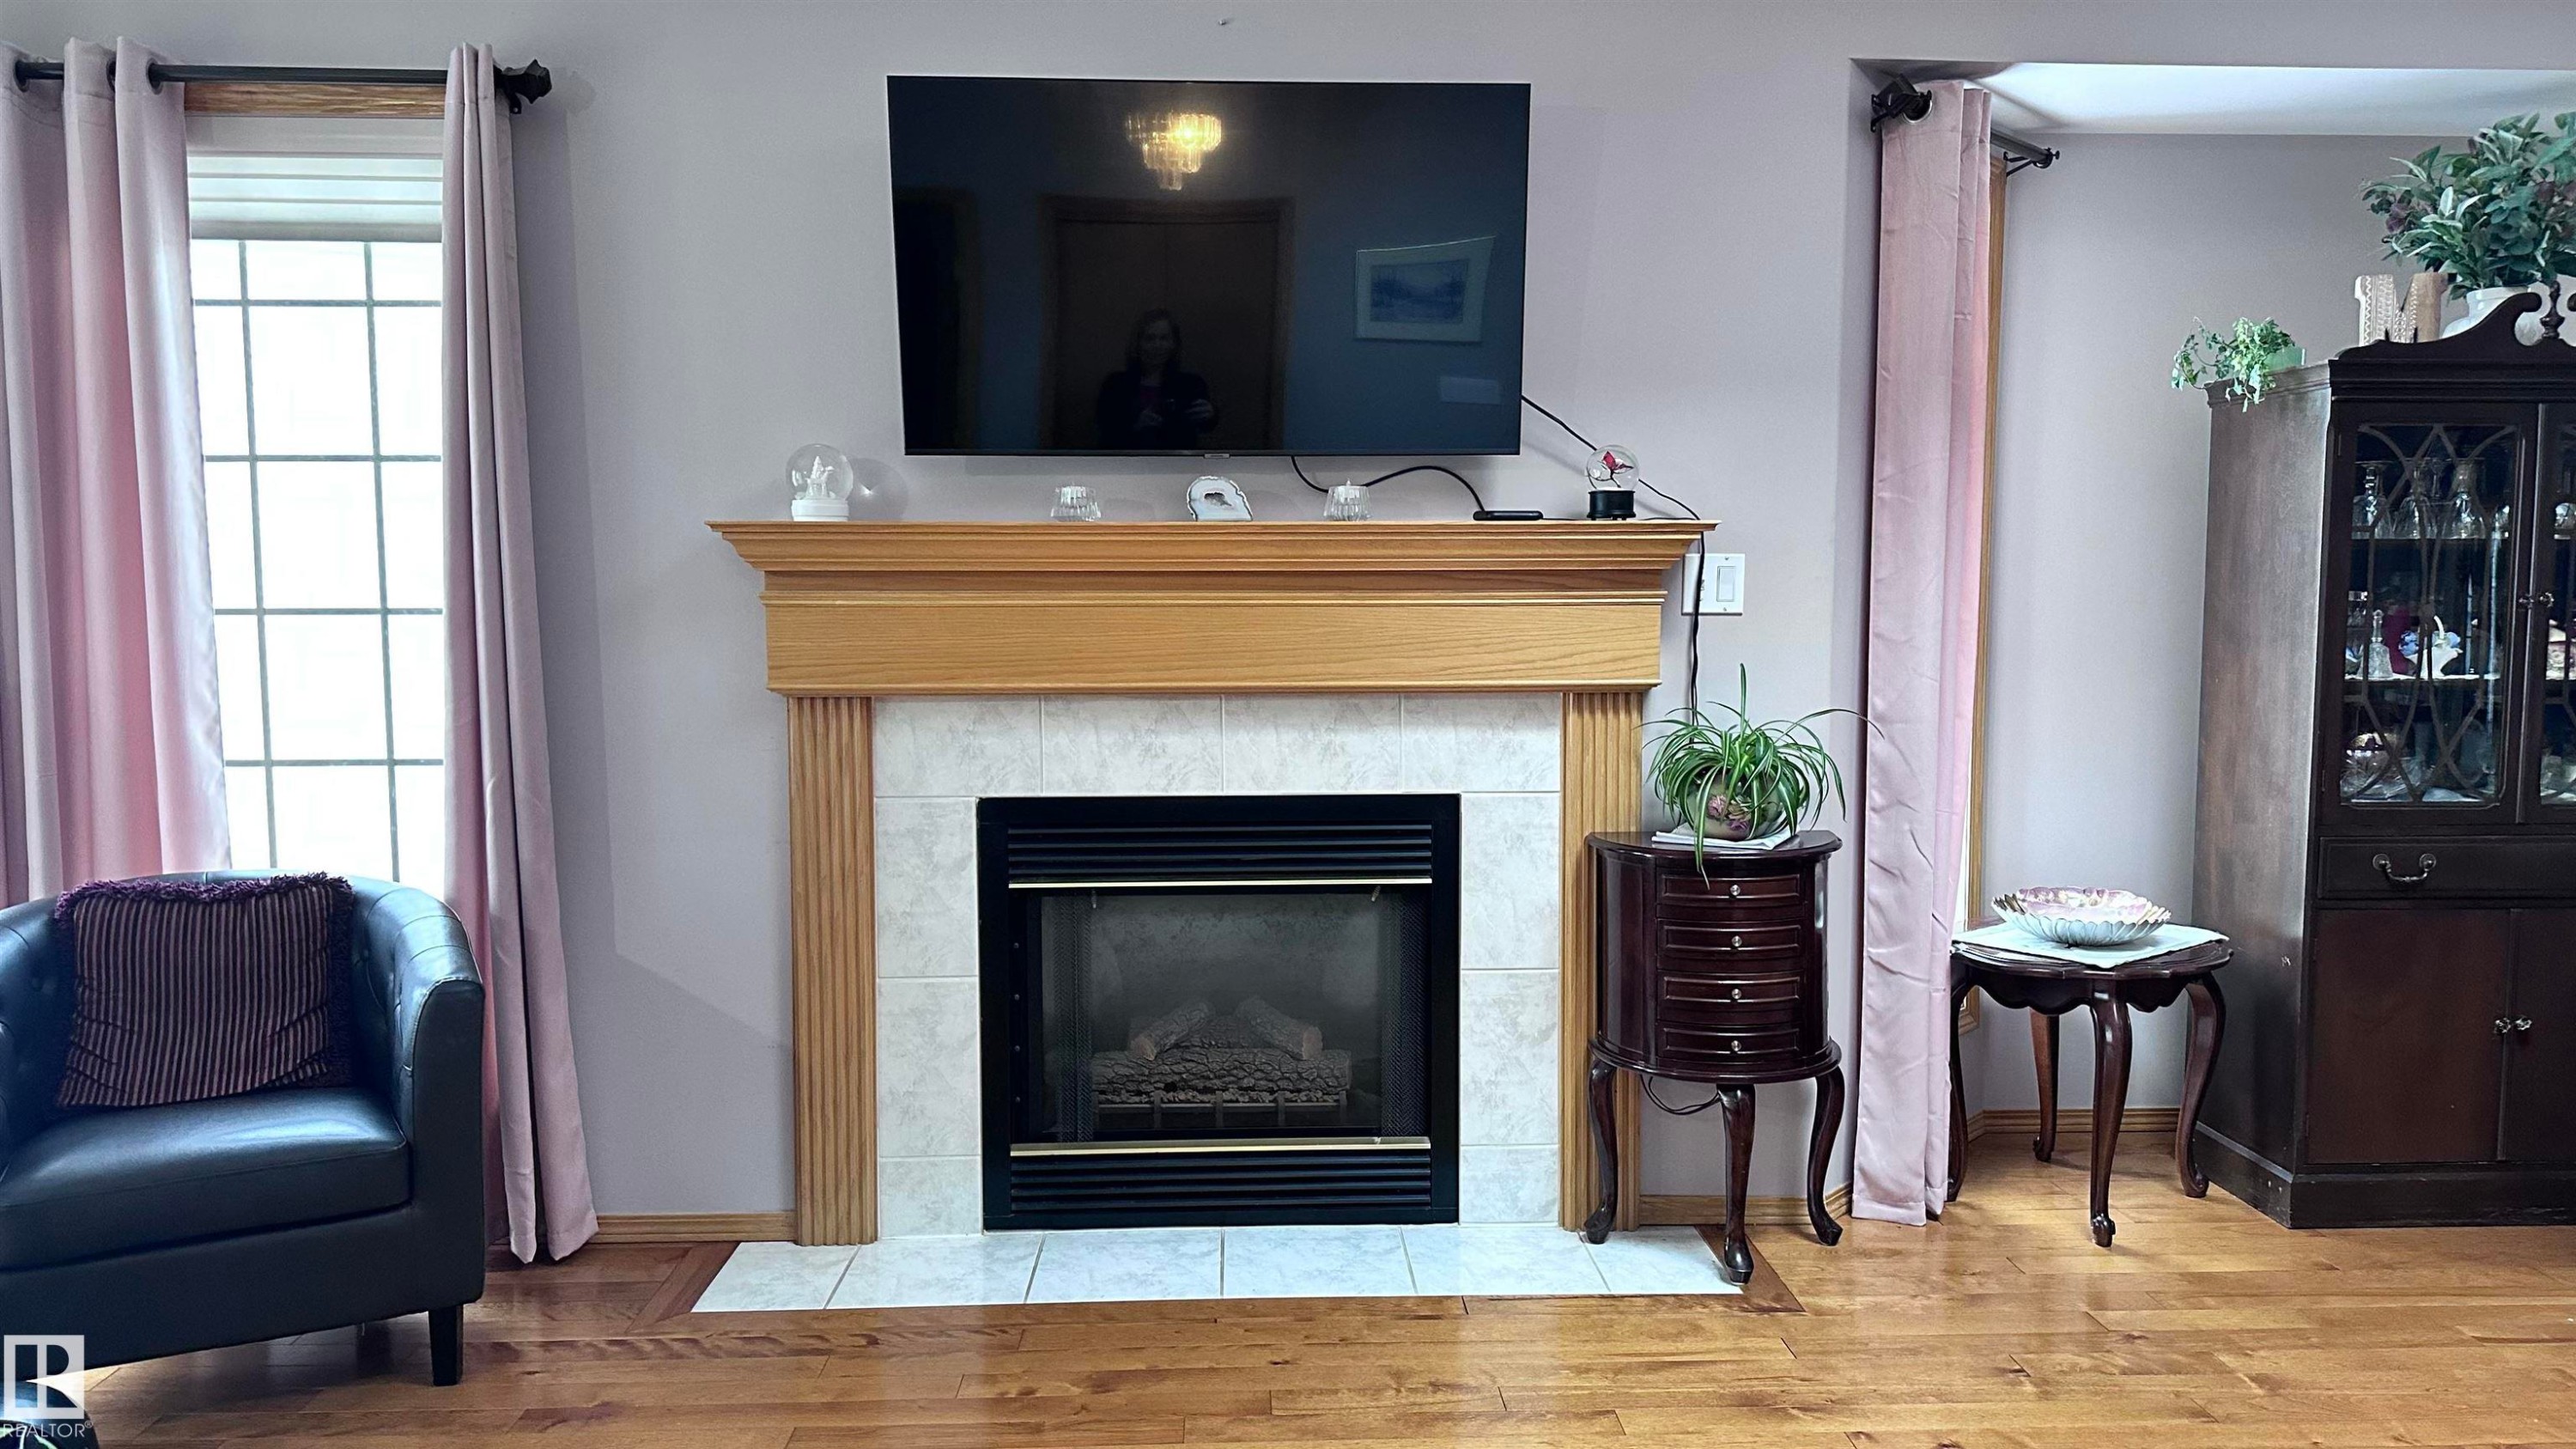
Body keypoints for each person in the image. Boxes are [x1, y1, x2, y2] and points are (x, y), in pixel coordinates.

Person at [1094, 309, 1218, 449]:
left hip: (1177, 460)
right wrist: (1135, 426)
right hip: (1127, 459)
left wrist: (1210, 414)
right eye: (1150, 338)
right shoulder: (1115, 385)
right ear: (1138, 343)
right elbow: (1105, 430)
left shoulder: (1190, 385)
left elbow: (1205, 427)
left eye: (1164, 338)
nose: (1157, 345)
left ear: (1174, 344)